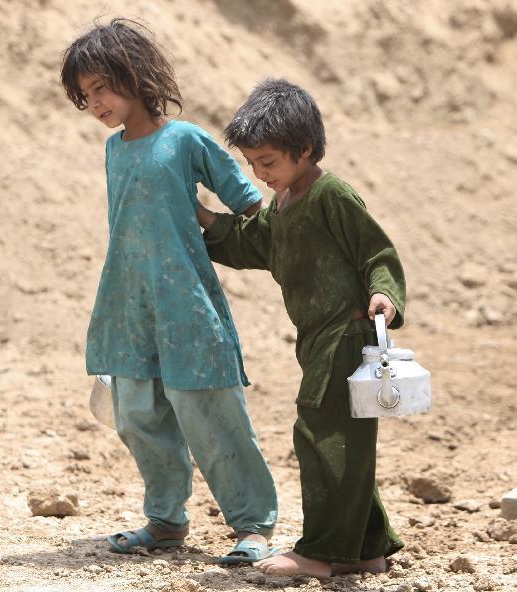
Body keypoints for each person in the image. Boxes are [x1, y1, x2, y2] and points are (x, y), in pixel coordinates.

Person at [60, 19, 278, 564]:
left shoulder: (185, 140)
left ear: (134, 74)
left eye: (102, 87)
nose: (96, 103)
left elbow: (250, 204)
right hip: (127, 301)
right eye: (86, 96)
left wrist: (264, 247)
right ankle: (165, 520)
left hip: (186, 303)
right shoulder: (114, 151)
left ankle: (252, 524)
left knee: (211, 413)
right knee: (137, 416)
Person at [195, 78, 406, 578]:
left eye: (267, 162)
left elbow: (377, 250)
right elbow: (252, 244)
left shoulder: (331, 194)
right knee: (344, 442)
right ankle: (364, 551)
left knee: (320, 436)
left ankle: (320, 553)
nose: (259, 173)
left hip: (346, 337)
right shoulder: (283, 204)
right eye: (252, 163)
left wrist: (385, 293)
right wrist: (201, 216)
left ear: (305, 149)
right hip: (316, 340)